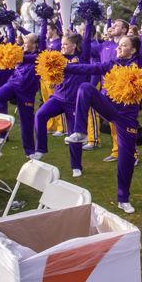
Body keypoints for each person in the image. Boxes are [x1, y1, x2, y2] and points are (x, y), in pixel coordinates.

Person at [64, 34, 142, 213]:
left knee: (126, 157)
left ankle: (123, 198)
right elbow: (89, 68)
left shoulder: (139, 64)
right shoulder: (112, 64)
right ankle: (81, 132)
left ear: (133, 50)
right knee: (85, 88)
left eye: (124, 46)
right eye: (119, 45)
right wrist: (67, 67)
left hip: (127, 118)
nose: (118, 48)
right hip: (108, 106)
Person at [31, 24, 93, 178]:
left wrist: (89, 19)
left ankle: (76, 166)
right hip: (57, 98)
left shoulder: (82, 57)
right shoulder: (58, 58)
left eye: (65, 44)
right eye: (62, 44)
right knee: (40, 115)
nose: (62, 47)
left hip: (74, 102)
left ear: (74, 46)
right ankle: (40, 149)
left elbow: (86, 40)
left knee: (74, 134)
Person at [0, 25, 43, 157]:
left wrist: (44, 21)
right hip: (13, 84)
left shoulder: (39, 55)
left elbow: (41, 38)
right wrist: (11, 27)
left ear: (34, 44)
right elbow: (8, 47)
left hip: (27, 93)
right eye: (23, 41)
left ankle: (29, 151)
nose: (23, 43)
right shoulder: (19, 51)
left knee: (26, 122)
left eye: (26, 41)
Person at [89, 19, 130, 159]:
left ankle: (132, 154)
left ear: (124, 30)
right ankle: (117, 151)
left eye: (116, 25)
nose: (112, 27)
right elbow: (86, 47)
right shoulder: (104, 45)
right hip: (107, 89)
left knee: (124, 125)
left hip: (123, 91)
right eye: (112, 25)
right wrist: (89, 23)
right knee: (112, 123)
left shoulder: (126, 46)